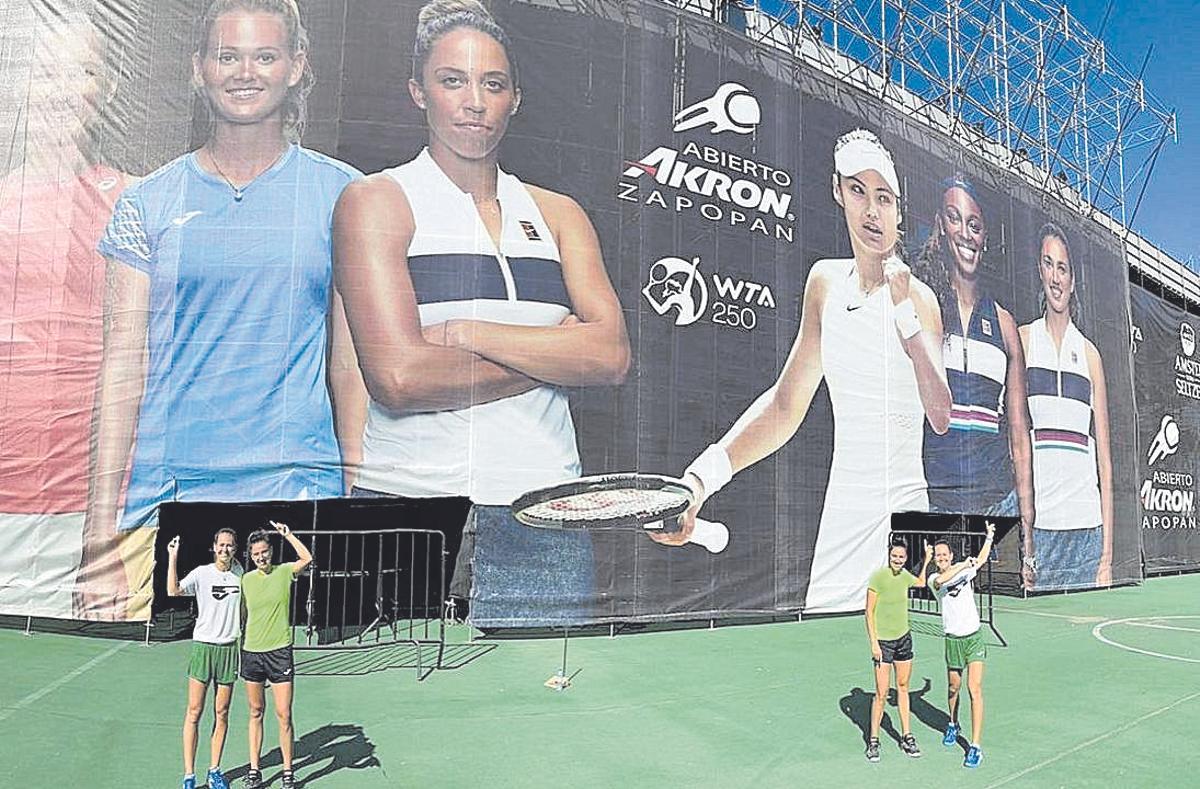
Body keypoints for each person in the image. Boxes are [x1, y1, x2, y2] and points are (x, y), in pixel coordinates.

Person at [332, 0, 629, 627]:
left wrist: (467, 334)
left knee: (540, 719)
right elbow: (399, 379)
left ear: (515, 98)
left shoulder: (559, 214)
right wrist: (551, 357)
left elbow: (610, 357)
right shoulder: (376, 201)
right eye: (452, 81)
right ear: (418, 91)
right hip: (405, 512)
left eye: (492, 84)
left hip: (544, 513)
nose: (474, 101)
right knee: (396, 718)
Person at [79, 0, 360, 619]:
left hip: (298, 499)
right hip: (166, 505)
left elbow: (351, 368)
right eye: (227, 55)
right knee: (148, 705)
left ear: (296, 67)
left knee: (282, 699)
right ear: (198, 68)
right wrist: (99, 539)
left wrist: (350, 504)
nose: (244, 72)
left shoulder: (344, 193)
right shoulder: (146, 203)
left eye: (265, 55)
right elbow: (121, 371)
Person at [660, 129, 951, 613]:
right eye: (858, 192)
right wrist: (698, 482)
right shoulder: (824, 283)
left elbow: (940, 414)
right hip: (842, 516)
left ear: (899, 212)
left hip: (902, 518)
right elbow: (784, 405)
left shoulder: (921, 298)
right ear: (838, 192)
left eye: (884, 199)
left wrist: (905, 316)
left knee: (893, 677)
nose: (872, 212)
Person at [0, 5, 134, 620]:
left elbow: (135, 356)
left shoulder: (129, 199)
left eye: (77, 71)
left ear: (103, 87)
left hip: (89, 505)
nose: (57, 90)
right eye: (42, 71)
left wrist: (103, 531)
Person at [915, 176, 1035, 537]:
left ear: (985, 238)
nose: (966, 233)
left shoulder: (1004, 323)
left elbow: (1018, 430)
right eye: (955, 218)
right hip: (933, 502)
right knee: (937, 594)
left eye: (975, 225)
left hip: (998, 503)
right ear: (940, 226)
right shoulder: (922, 304)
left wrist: (1026, 524)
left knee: (996, 597)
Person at [1018, 223, 1113, 589]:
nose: (1056, 277)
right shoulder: (1024, 341)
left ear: (1072, 280)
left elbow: (1105, 463)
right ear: (1039, 272)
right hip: (1041, 535)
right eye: (1048, 264)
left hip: (1087, 535)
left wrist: (1105, 559)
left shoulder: (1090, 356)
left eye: (1063, 268)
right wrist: (1027, 546)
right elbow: (1017, 450)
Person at [167, 529, 243, 789]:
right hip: (203, 649)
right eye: (221, 545)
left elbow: (244, 611)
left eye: (230, 546)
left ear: (235, 548)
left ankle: (214, 771)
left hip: (229, 649)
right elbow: (173, 590)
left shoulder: (241, 574)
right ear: (214, 547)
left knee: (221, 713)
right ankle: (189, 775)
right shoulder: (201, 573)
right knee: (194, 711)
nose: (225, 549)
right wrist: (172, 557)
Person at [240, 520, 311, 789]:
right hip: (252, 652)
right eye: (256, 554)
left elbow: (307, 558)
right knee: (256, 711)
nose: (261, 557)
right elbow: (242, 615)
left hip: (280, 651)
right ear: (251, 556)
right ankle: (255, 770)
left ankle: (288, 772)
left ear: (271, 551)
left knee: (284, 713)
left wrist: (288, 534)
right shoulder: (246, 580)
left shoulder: (284, 572)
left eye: (264, 552)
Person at [929, 520, 994, 769]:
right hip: (953, 641)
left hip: (973, 638)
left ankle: (975, 746)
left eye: (945, 554)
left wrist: (988, 537)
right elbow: (941, 580)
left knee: (973, 688)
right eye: (938, 555)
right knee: (953, 689)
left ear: (951, 555)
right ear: (936, 559)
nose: (942, 557)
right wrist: (961, 565)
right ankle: (953, 723)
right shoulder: (936, 577)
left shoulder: (965, 570)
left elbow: (980, 559)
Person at [864, 539, 933, 761]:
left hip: (903, 639)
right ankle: (873, 740)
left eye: (901, 557)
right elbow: (868, 612)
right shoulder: (878, 577)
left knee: (903, 687)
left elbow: (922, 582)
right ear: (889, 555)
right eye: (895, 556)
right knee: (882, 693)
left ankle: (907, 736)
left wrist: (927, 559)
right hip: (883, 643)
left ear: (905, 559)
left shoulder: (904, 577)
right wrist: (874, 643)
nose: (898, 560)